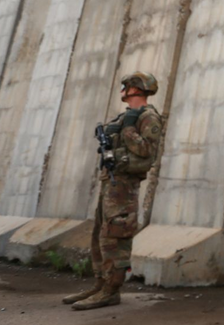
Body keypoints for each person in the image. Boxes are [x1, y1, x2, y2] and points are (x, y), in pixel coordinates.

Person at [62, 71, 164, 311]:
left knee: (115, 236)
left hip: (125, 185)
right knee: (100, 234)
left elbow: (145, 151)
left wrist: (128, 130)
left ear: (135, 88)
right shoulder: (125, 116)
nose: (122, 90)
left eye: (125, 86)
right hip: (112, 181)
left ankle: (111, 290)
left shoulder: (148, 117)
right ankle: (100, 284)